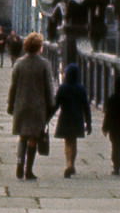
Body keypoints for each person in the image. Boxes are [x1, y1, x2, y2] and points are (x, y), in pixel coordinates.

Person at [7, 30, 55, 181]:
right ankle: (29, 170)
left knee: (22, 136)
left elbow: (13, 86)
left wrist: (10, 104)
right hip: (38, 107)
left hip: (21, 105)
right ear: (40, 47)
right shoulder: (44, 65)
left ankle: (19, 164)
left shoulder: (19, 64)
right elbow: (49, 88)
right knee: (33, 138)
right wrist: (51, 106)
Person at [52, 62, 91, 177]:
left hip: (65, 118)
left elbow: (56, 105)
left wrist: (47, 117)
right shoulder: (81, 89)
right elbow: (86, 107)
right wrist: (88, 122)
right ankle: (71, 163)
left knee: (67, 142)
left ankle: (68, 163)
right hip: (77, 118)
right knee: (73, 142)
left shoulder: (62, 88)